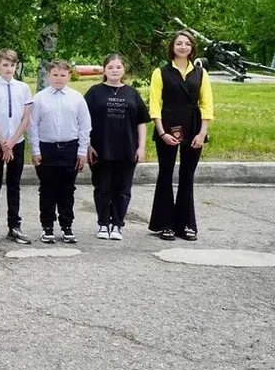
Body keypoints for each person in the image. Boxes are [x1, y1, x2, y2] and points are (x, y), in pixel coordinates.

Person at [148, 30, 214, 241]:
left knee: (187, 176)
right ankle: (164, 224)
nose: (183, 47)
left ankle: (185, 224)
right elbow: (155, 105)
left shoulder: (201, 73)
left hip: (194, 128)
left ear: (192, 48)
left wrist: (202, 133)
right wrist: (162, 132)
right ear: (172, 47)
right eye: (179, 43)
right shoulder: (160, 72)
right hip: (167, 128)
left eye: (187, 44)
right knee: (165, 175)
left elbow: (206, 104)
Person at [84, 53, 150, 241]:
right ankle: (103, 223)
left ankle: (117, 224)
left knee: (123, 189)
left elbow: (141, 122)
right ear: (104, 70)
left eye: (118, 67)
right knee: (102, 188)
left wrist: (141, 147)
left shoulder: (132, 93)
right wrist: (87, 145)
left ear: (124, 70)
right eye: (110, 67)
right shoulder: (94, 92)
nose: (114, 70)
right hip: (101, 149)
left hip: (127, 149)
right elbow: (82, 120)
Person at [27, 60, 92, 244]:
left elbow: (84, 126)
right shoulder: (39, 98)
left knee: (67, 189)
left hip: (69, 149)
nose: (58, 78)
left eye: (63, 75)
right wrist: (35, 150)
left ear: (69, 76)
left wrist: (82, 152)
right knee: (47, 189)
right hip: (47, 149)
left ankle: (67, 226)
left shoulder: (77, 98)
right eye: (55, 74)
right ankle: (47, 226)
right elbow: (33, 126)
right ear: (49, 76)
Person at [0, 49, 33, 246]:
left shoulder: (23, 88)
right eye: (5, 65)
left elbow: (26, 117)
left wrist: (12, 142)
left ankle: (14, 226)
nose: (8, 69)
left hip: (16, 143)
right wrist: (3, 142)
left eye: (12, 65)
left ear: (16, 67)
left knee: (14, 185)